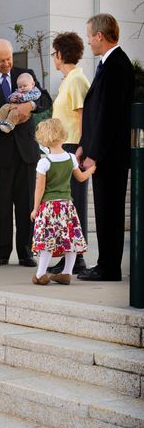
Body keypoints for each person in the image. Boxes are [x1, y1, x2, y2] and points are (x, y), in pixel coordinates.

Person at [0, 38, 52, 268]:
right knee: (2, 202)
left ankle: (26, 252)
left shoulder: (25, 74)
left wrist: (31, 106)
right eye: (1, 60)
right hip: (0, 152)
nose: (7, 63)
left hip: (26, 151)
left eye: (9, 58)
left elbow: (45, 99)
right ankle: (0, 253)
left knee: (27, 204)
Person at [76, 14, 135, 282]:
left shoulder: (117, 65)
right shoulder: (108, 64)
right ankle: (105, 264)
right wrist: (82, 146)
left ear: (100, 35)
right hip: (103, 153)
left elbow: (109, 117)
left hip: (110, 157)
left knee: (109, 212)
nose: (88, 41)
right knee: (104, 211)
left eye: (89, 36)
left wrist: (93, 154)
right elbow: (96, 113)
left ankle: (109, 268)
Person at [31, 119, 96, 285]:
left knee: (47, 240)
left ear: (43, 139)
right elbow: (81, 178)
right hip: (67, 206)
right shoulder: (71, 158)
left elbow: (39, 189)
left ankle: (40, 274)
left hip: (49, 207)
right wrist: (92, 169)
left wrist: (35, 209)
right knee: (70, 239)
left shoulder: (44, 162)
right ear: (62, 135)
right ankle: (67, 273)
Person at [47, 32, 91, 275]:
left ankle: (78, 258)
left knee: (75, 205)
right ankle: (69, 256)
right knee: (66, 205)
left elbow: (84, 114)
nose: (54, 58)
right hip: (65, 148)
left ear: (61, 55)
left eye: (54, 54)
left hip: (75, 147)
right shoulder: (69, 80)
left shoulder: (75, 80)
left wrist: (83, 147)